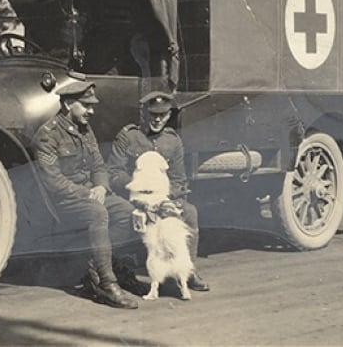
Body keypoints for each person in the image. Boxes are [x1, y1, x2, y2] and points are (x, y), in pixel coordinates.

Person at [32, 75, 140, 309]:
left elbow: (99, 166)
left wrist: (101, 186)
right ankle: (107, 283)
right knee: (98, 213)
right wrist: (87, 193)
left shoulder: (85, 130)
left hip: (90, 195)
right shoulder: (47, 134)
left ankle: (103, 267)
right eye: (86, 105)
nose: (91, 111)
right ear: (68, 104)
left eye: (92, 106)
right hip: (63, 200)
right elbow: (53, 182)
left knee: (126, 211)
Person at [107, 91, 210, 292]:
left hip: (163, 198)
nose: (157, 119)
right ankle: (115, 269)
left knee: (189, 212)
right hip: (133, 197)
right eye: (152, 114)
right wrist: (141, 191)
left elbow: (179, 178)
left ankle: (187, 271)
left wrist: (167, 200)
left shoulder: (173, 141)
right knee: (126, 215)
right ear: (144, 113)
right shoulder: (129, 136)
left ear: (169, 115)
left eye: (162, 115)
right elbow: (114, 173)